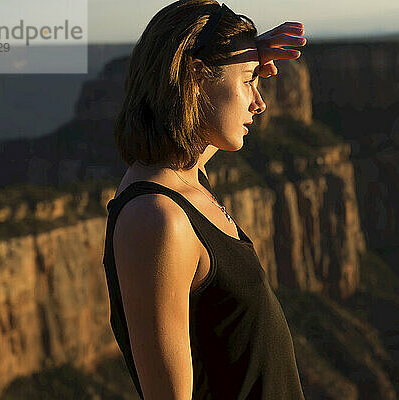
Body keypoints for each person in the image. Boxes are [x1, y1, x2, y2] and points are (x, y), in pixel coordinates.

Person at [102, 1, 307, 398]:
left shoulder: (186, 182)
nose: (259, 102)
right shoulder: (156, 217)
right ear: (196, 76)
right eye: (249, 81)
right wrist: (232, 64)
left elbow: (194, 142)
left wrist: (243, 58)